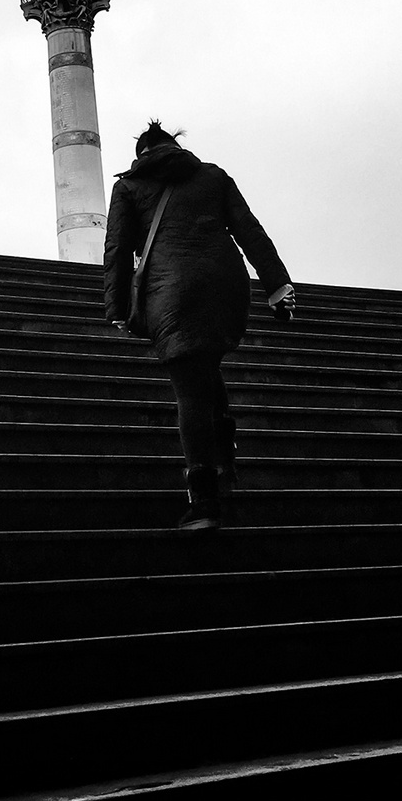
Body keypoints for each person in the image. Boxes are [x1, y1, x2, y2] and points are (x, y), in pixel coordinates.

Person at [103, 121, 295, 531]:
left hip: (170, 289)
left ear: (141, 155)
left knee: (188, 387)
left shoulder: (129, 187)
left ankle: (204, 499)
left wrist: (116, 305)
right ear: (175, 147)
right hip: (224, 283)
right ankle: (223, 445)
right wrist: (278, 284)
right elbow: (248, 229)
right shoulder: (212, 176)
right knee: (204, 363)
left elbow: (118, 248)